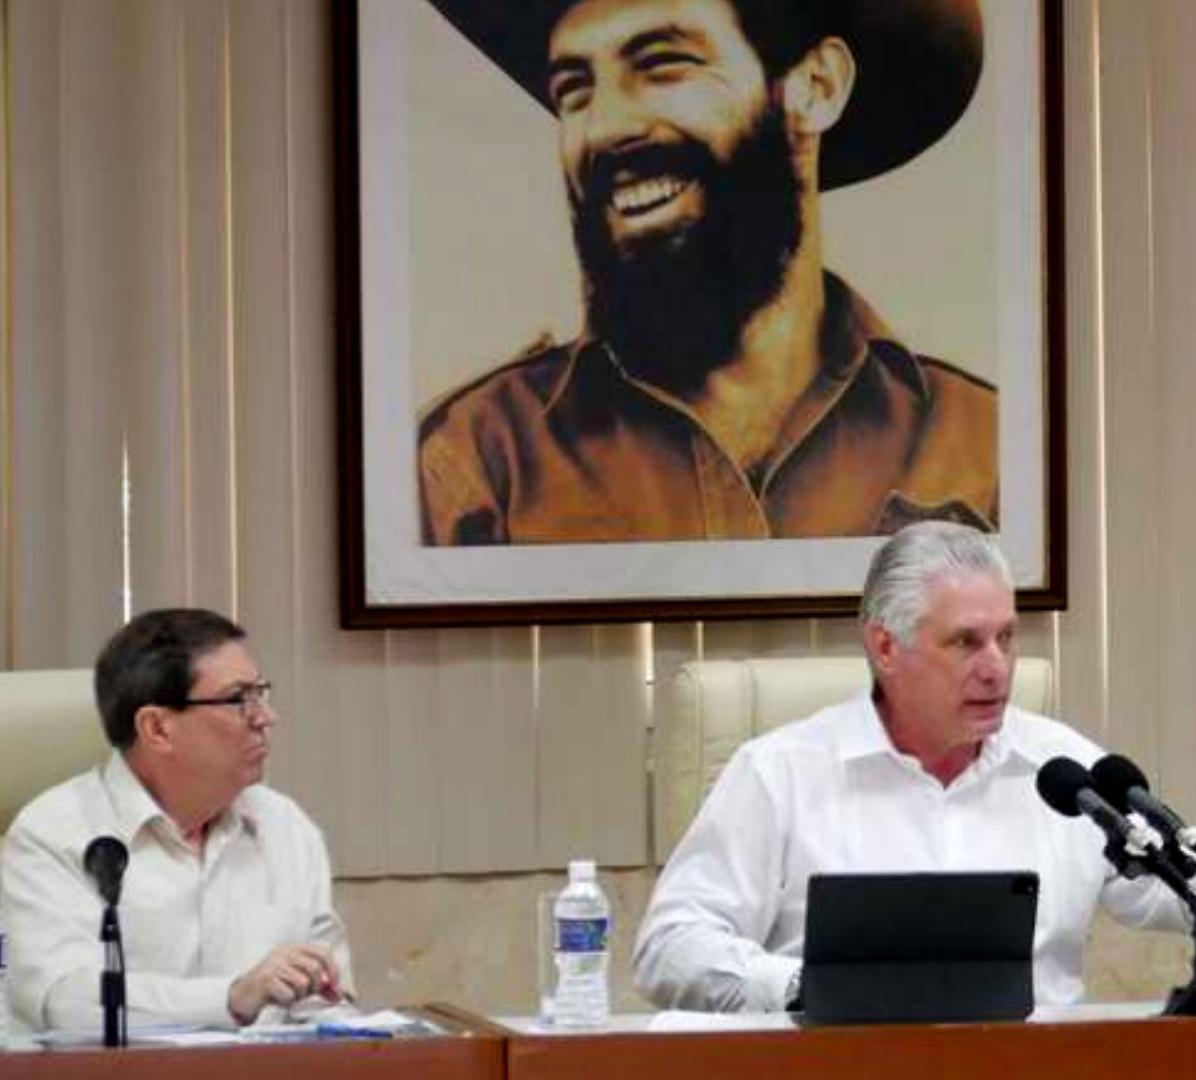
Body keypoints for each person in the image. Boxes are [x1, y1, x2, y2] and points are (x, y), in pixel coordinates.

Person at [634, 522, 1196, 1010]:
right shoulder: (781, 775)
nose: (996, 667)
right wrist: (804, 986)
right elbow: (670, 947)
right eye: (965, 642)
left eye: (1004, 636)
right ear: (884, 645)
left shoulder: (1065, 775)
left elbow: (1195, 898)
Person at [417, 0, 998, 544]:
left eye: (663, 65)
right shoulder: (475, 458)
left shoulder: (983, 445)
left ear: (817, 87)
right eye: (575, 90)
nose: (605, 129)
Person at [0, 609, 352, 1032]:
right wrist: (232, 997)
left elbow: (329, 1005)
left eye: (261, 693)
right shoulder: (55, 834)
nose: (264, 718)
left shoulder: (285, 827)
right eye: (239, 698)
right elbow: (64, 1002)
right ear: (157, 728)